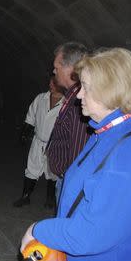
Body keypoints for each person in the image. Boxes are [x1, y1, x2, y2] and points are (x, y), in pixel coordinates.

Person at [21, 47, 131, 261]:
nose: (79, 95)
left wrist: (38, 230)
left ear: (111, 91)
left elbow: (92, 233)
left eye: (86, 87)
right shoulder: (104, 131)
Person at [46, 42, 90, 204]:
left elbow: (79, 149)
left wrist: (71, 181)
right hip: (66, 178)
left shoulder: (80, 100)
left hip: (71, 182)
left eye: (56, 67)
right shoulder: (72, 95)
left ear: (69, 68)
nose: (53, 71)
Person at [13, 76, 64, 208]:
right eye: (50, 81)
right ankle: (25, 196)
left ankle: (50, 198)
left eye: (54, 82)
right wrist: (25, 133)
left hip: (55, 144)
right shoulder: (41, 98)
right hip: (38, 141)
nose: (50, 84)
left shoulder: (66, 103)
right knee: (31, 169)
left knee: (53, 172)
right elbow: (30, 117)